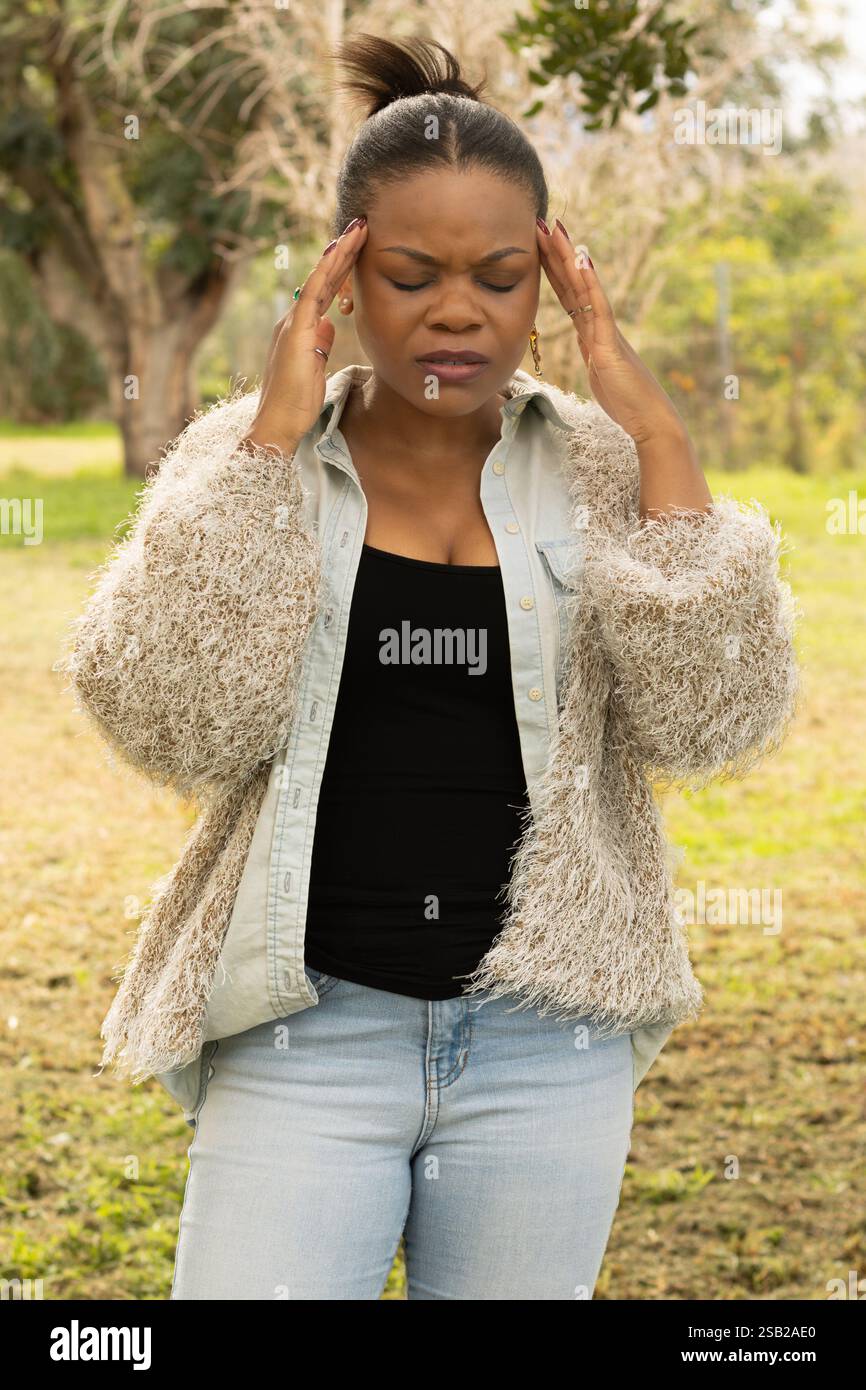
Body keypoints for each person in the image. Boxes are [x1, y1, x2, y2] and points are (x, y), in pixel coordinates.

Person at [60, 34, 798, 1300]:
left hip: (546, 1040)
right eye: (409, 274)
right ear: (342, 271)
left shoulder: (606, 467)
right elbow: (168, 720)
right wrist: (266, 454)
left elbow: (708, 720)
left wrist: (661, 432)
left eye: (499, 278)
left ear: (546, 283)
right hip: (304, 1031)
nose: (456, 312)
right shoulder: (249, 460)